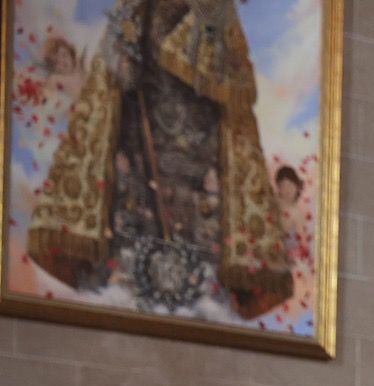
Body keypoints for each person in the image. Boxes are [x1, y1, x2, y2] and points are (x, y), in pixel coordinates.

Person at [26, 0, 293, 318]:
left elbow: (222, 74)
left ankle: (201, 288)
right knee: (138, 209)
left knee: (198, 217)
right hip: (143, 134)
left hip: (200, 142)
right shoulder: (138, 7)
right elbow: (120, 76)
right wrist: (123, 49)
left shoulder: (215, 8)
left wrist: (202, 29)